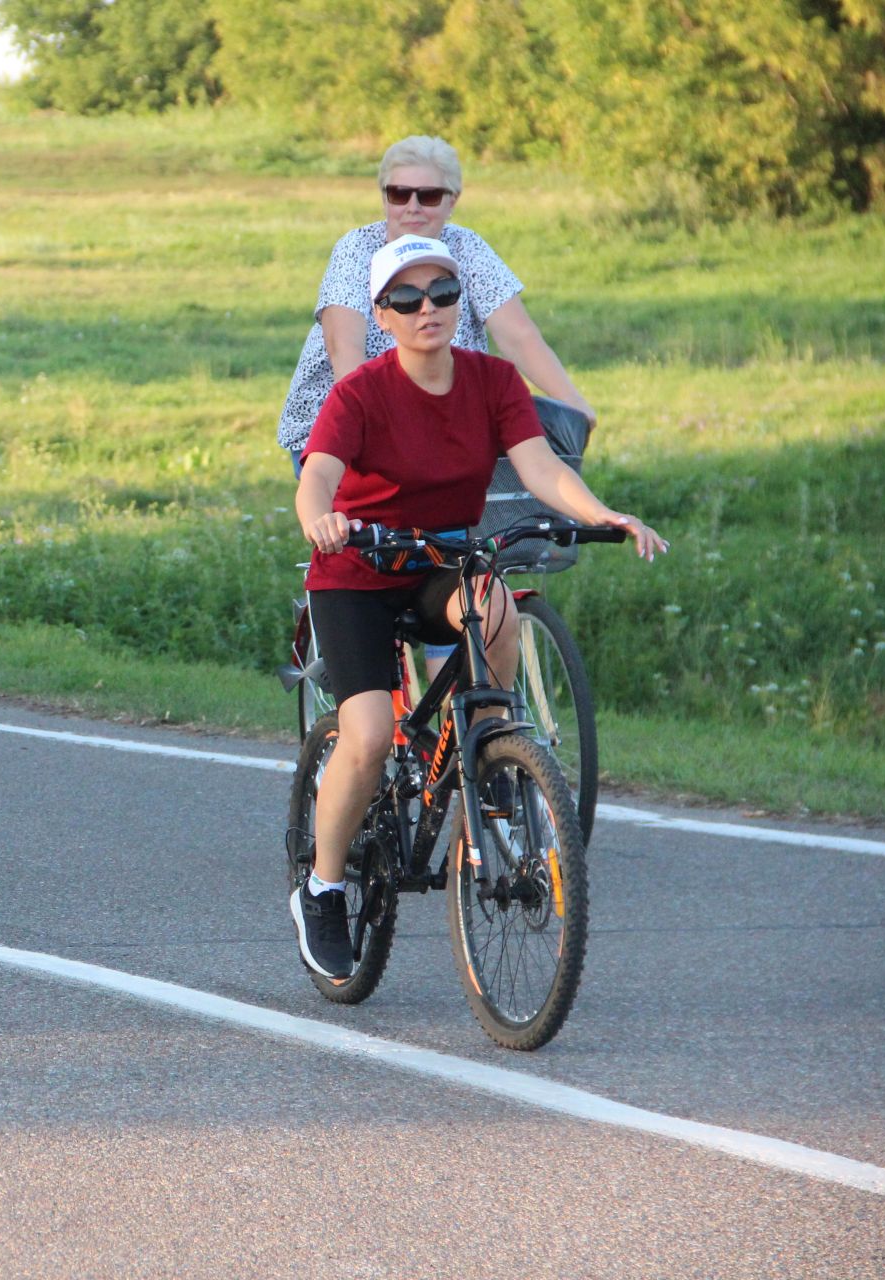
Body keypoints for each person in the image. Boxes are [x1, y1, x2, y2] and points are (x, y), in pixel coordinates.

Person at [290, 235, 665, 981]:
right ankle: (323, 888)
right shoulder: (360, 392)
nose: (427, 309)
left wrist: (603, 513)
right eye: (407, 298)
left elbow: (540, 468)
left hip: (441, 564)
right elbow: (318, 476)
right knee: (367, 736)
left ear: (461, 306)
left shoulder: (493, 381)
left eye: (442, 294)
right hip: (357, 573)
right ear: (383, 316)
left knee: (494, 606)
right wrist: (320, 518)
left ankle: (491, 750)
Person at [281, 134, 598, 680]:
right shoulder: (357, 252)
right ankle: (373, 680)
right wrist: (389, 429)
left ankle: (459, 736)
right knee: (380, 559)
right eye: (397, 192)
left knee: (458, 567)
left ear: (453, 200)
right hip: (347, 432)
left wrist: (574, 406)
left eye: (428, 196)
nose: (411, 206)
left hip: (445, 424)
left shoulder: (468, 251)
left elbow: (518, 336)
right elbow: (345, 352)